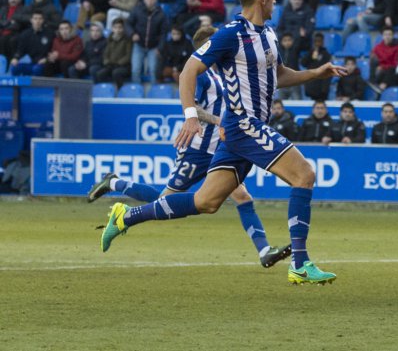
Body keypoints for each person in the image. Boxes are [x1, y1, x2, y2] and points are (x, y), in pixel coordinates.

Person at [100, 0, 348, 285]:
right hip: (245, 125)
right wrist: (191, 115)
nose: (275, 2)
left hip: (238, 131)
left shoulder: (268, 35)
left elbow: (279, 76)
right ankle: (300, 263)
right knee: (305, 175)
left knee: (206, 202)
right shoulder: (231, 33)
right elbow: (189, 69)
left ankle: (126, 216)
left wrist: (316, 73)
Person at [88, 26, 291, 269]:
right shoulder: (201, 76)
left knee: (242, 196)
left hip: (222, 149)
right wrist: (218, 121)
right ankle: (115, 184)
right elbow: (191, 107)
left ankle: (264, 251)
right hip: (197, 150)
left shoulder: (223, 76)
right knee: (163, 200)